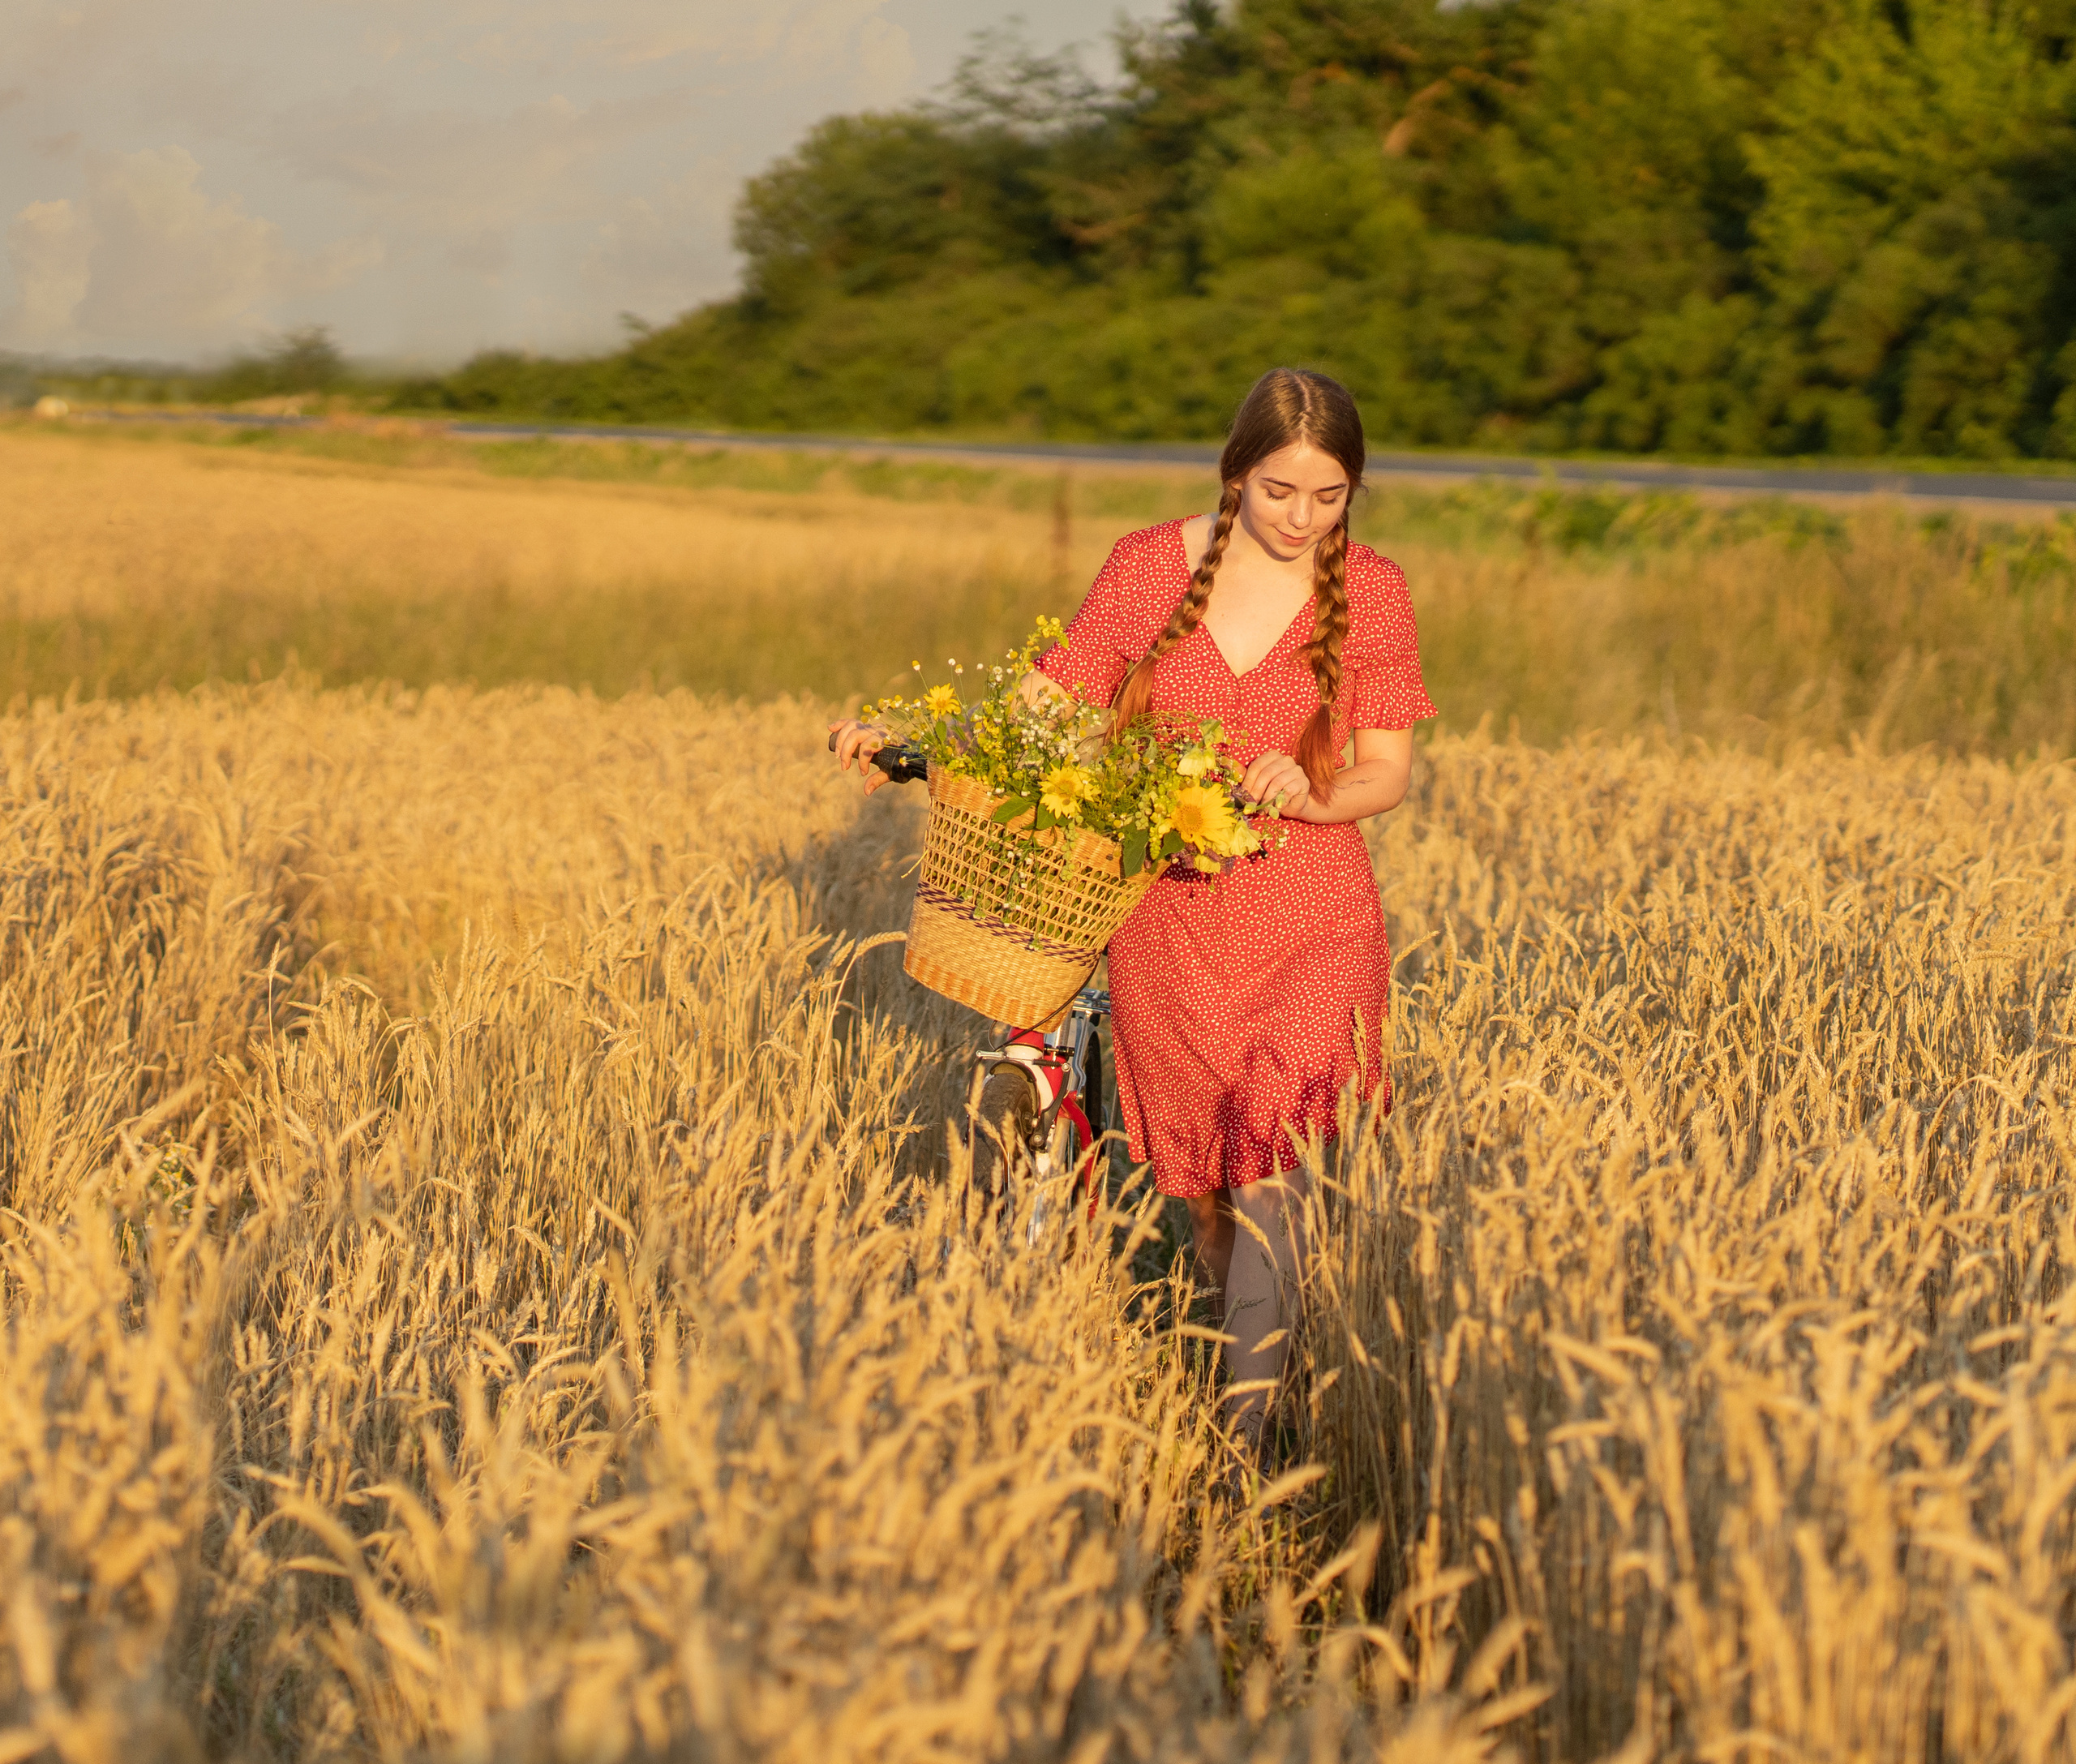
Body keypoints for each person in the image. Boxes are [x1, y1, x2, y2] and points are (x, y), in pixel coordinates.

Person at [830, 367, 1435, 1457]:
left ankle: (1247, 1449)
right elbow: (1047, 708)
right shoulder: (1146, 567)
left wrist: (1313, 787)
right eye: (1279, 492)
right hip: (1169, 922)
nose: (1302, 519)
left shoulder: (1375, 591)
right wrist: (913, 748)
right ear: (1234, 474)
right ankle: (1274, 1378)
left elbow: (1387, 770)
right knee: (1208, 1190)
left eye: (1329, 497)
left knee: (1277, 1167)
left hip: (1315, 912)